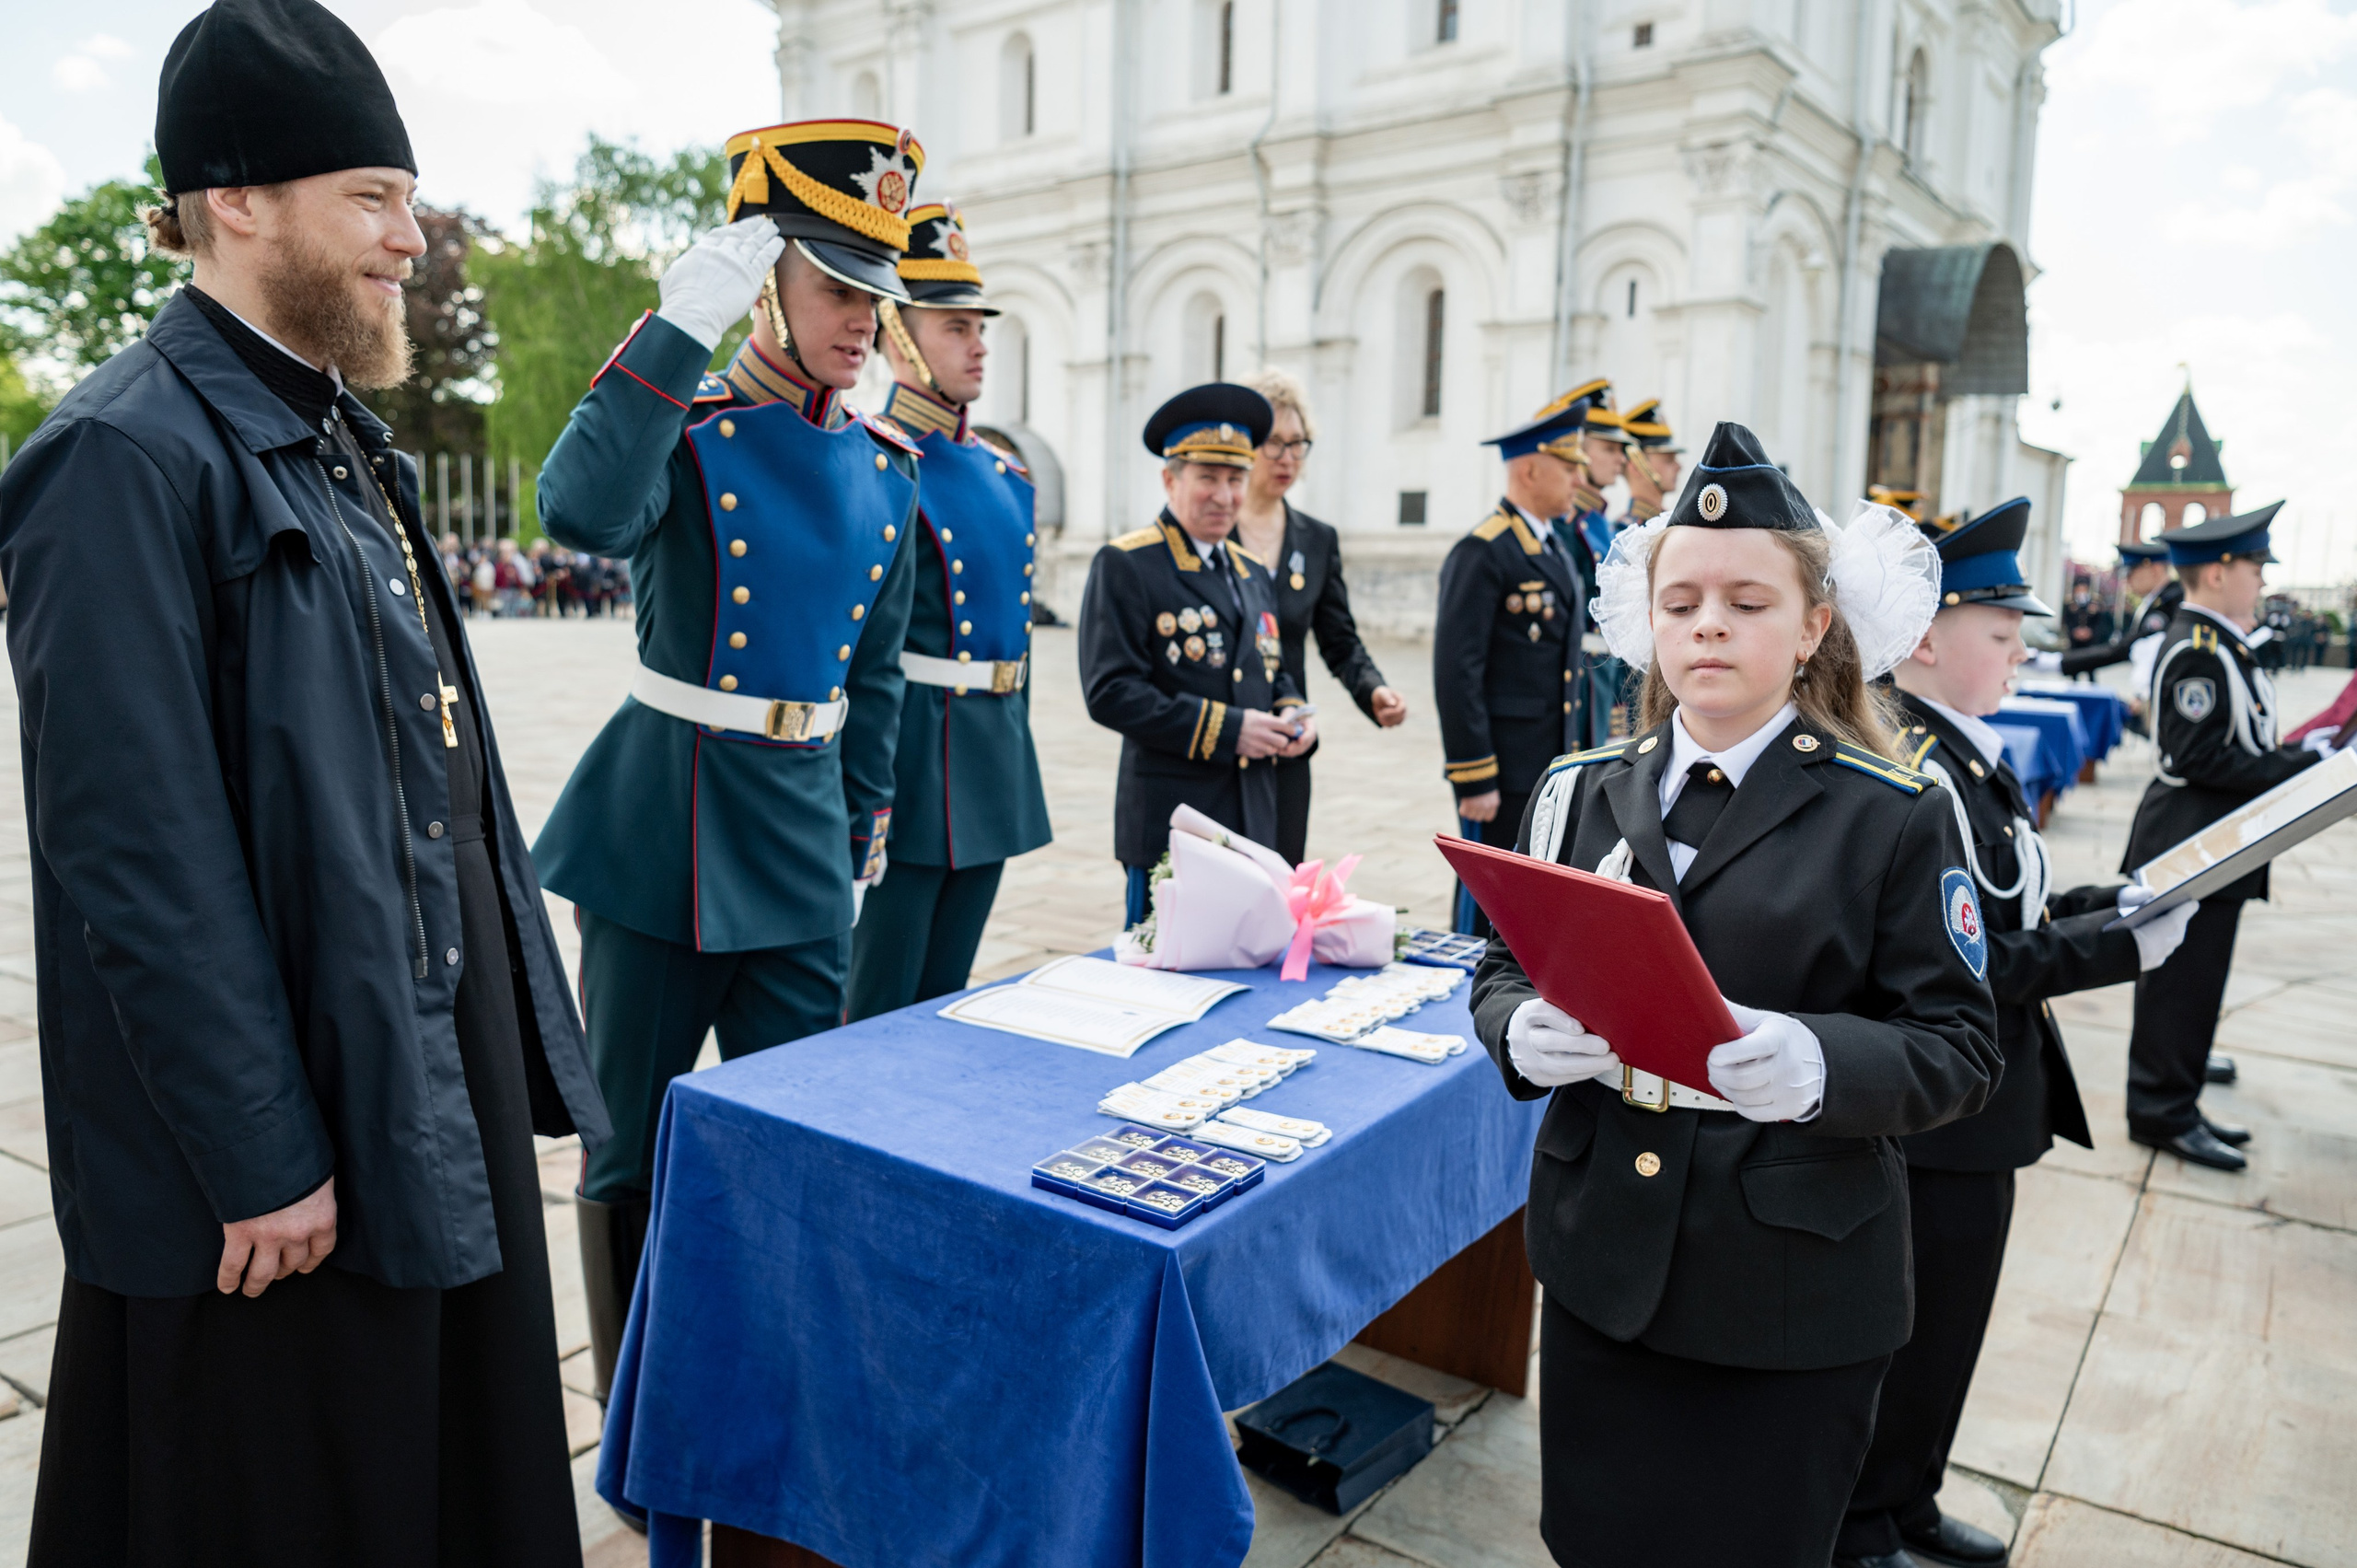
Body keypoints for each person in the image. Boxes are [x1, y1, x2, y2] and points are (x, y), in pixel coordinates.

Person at [0, 3, 610, 1561]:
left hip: (408, 1057)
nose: (411, 237)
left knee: (431, 1463)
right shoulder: (121, 457)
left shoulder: (332, 430)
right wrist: (262, 1147)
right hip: (280, 1133)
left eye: (409, 199)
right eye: (373, 199)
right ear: (237, 201)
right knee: (282, 1485)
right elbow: (132, 852)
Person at [1469, 421, 1998, 1568]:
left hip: (1791, 1284)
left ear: (1814, 626)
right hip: (1606, 1257)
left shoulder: (1894, 812)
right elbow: (1498, 965)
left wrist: (1818, 1061)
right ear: (1645, 621)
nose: (1707, 621)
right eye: (1682, 598)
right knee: (1598, 1540)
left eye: (1747, 600)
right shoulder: (1576, 793)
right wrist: (1522, 1026)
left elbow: (1958, 1047)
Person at [528, 118, 926, 1399]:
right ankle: (636, 1402)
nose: (862, 319)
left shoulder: (888, 468)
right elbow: (582, 510)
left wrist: (864, 817)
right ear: (767, 281)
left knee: (797, 1124)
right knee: (629, 1144)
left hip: (804, 843)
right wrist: (675, 323)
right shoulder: (689, 430)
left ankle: (763, 1376)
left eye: (877, 295)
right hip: (669, 835)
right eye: (835, 286)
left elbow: (874, 672)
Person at [1836, 498, 2197, 1568]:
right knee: (1909, 1336)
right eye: (1999, 633)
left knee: (1949, 1329)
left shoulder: (1957, 751)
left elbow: (2007, 909)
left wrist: (2116, 901)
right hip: (1943, 1114)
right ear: (1924, 640)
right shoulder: (1919, 766)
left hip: (1977, 1108)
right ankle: (1861, 1527)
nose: (2019, 650)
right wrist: (2117, 949)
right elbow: (1972, 960)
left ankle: (1906, 1500)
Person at [847, 203, 1051, 1018]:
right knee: (874, 1007)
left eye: (980, 326)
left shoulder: (1008, 476)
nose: (979, 344)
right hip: (910, 767)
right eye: (955, 326)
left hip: (990, 764)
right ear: (898, 337)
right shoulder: (871, 460)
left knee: (944, 1003)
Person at [2119, 503, 2328, 1172]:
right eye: (2256, 567)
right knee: (2177, 985)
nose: (2263, 581)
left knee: (2195, 984)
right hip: (2192, 847)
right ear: (2217, 572)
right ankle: (2161, 1110)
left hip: (2215, 846)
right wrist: (2310, 761)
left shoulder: (2221, 642)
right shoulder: (2198, 649)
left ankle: (2180, 1082)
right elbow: (2197, 758)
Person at [1078, 384, 1314, 925]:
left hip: (1255, 815)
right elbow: (1110, 693)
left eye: (1235, 479)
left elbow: (1273, 667)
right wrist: (1232, 729)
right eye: (1207, 478)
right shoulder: (1128, 564)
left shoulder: (1252, 571)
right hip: (1174, 823)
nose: (1225, 495)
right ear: (1170, 479)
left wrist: (1292, 713)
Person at [1434, 382, 1616, 935]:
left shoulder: (1553, 547)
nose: (1580, 481)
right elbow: (1456, 670)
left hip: (1546, 755)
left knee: (1529, 890)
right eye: (1569, 468)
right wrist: (1474, 774)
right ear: (1530, 471)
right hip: (1503, 766)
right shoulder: (1484, 550)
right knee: (1487, 896)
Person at [1232, 366, 1408, 865]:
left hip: (1288, 744)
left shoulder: (1315, 539)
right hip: (1223, 740)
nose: (1287, 457)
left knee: (1279, 881)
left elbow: (1338, 638)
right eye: (1273, 443)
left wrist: (1372, 689)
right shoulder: (1211, 530)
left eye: (1298, 443)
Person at [1615, 397, 1682, 524]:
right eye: (1668, 460)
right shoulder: (1628, 533)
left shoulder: (1670, 524)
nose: (1679, 466)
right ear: (1636, 467)